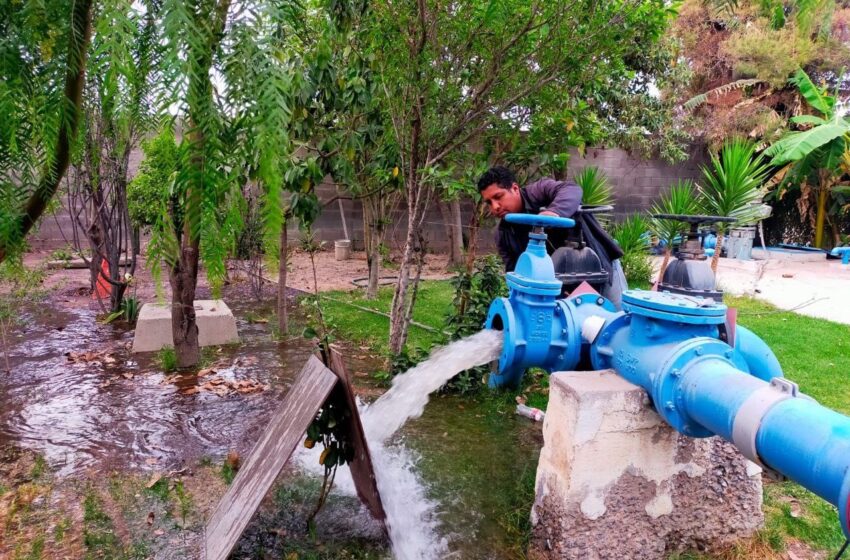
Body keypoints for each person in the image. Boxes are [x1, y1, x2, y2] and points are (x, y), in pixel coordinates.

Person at [477, 165, 627, 307]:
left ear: (515, 189)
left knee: (619, 316)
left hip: (598, 267)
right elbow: (516, 273)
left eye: (498, 197)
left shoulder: (538, 191)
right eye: (489, 202)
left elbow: (571, 189)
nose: (495, 207)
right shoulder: (504, 234)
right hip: (561, 284)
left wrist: (554, 212)